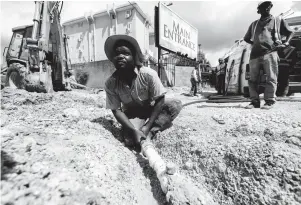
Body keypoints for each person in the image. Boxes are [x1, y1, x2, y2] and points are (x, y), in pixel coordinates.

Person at [104, 35, 183, 149]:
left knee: (175, 105)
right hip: (132, 113)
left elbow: (160, 99)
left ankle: (150, 132)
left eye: (126, 54)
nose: (120, 56)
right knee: (130, 140)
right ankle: (139, 132)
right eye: (117, 54)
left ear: (135, 58)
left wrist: (148, 126)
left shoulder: (148, 74)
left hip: (150, 108)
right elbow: (116, 110)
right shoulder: (110, 83)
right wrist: (133, 129)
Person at [243, 1, 294, 109]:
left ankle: (269, 101)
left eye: (268, 6)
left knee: (271, 78)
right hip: (254, 55)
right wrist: (255, 44)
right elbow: (246, 38)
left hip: (270, 53)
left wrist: (286, 43)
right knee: (252, 79)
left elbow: (291, 32)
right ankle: (254, 101)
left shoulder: (277, 21)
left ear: (270, 8)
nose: (266, 8)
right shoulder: (254, 24)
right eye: (263, 7)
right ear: (259, 10)